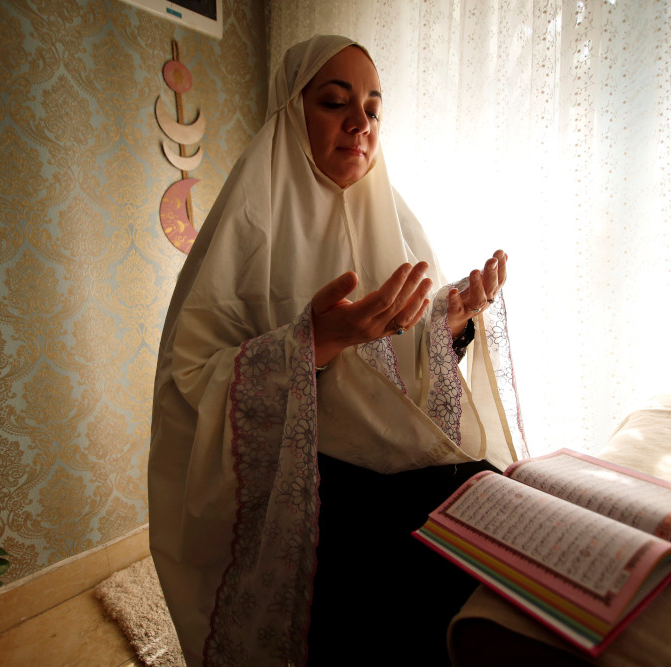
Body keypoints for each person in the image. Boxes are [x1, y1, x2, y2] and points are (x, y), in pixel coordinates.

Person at [148, 35, 528, 667]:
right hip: (308, 478)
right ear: (294, 114)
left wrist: (449, 322)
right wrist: (315, 343)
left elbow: (400, 383)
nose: (360, 123)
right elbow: (190, 380)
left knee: (491, 506)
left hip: (397, 462)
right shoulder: (247, 227)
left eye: (373, 108)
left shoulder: (398, 224)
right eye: (334, 101)